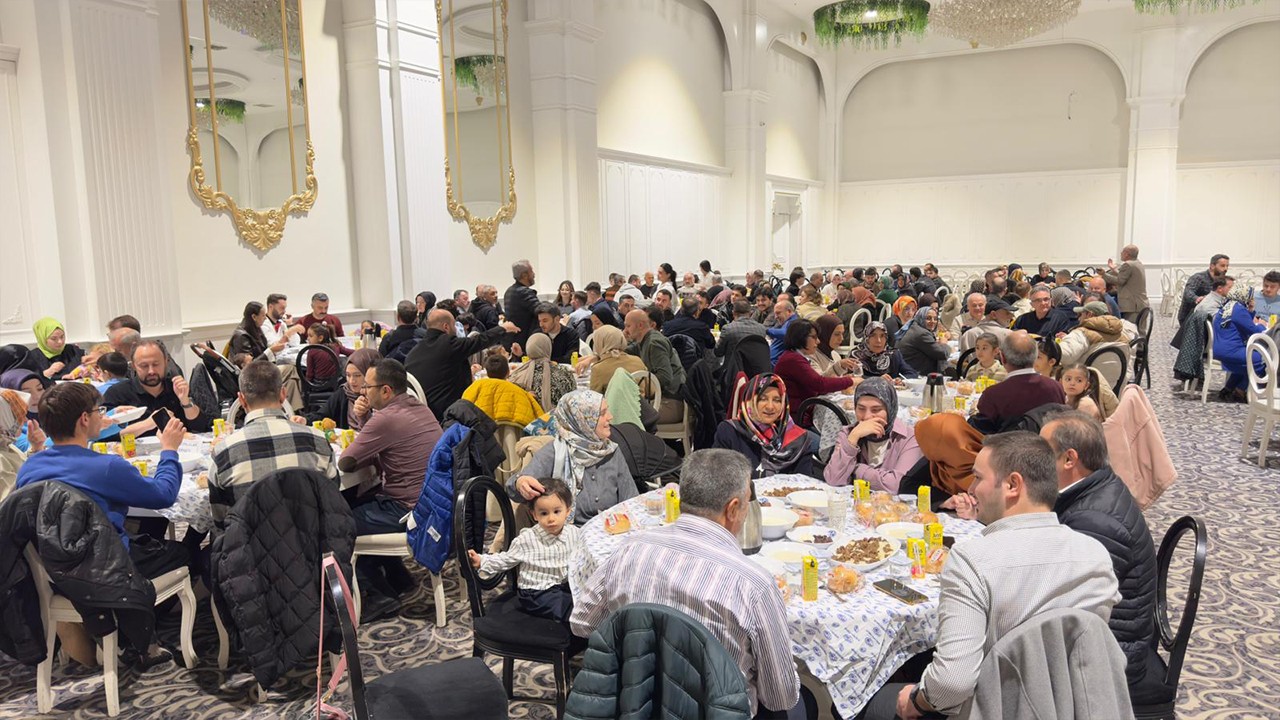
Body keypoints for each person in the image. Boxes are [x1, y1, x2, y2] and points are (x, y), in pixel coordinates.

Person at [860, 432, 1119, 720]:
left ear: (1012, 485)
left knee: (859, 702)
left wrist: (917, 701)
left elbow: (952, 683)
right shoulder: (1096, 556)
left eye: (978, 478)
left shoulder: (973, 560)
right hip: (1073, 707)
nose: (971, 489)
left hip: (997, 707)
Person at [571, 449, 801, 718]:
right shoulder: (753, 584)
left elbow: (581, 623)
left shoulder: (630, 550)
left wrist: (645, 646)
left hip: (636, 704)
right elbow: (780, 696)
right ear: (733, 508)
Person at [1038, 411, 1166, 707]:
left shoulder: (1095, 520)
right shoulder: (1096, 486)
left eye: (1042, 451)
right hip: (1110, 636)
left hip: (1110, 655)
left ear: (1069, 459)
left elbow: (1063, 602)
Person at [338, 359, 443, 617]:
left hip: (409, 511)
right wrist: (366, 418)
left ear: (386, 390)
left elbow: (346, 462)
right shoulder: (420, 408)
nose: (363, 392)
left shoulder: (385, 418)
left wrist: (365, 419)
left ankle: (376, 595)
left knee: (335, 522)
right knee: (362, 503)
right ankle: (398, 577)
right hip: (435, 506)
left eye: (367, 387)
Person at [207, 361, 338, 529]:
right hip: (312, 540)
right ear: (283, 394)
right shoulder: (318, 441)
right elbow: (332, 498)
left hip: (249, 543)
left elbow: (220, 520)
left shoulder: (224, 453)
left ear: (241, 399)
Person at [508, 390, 637, 525]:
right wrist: (520, 482)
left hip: (611, 529)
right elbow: (515, 490)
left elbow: (630, 499)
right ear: (582, 420)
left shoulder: (611, 450)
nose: (610, 417)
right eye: (602, 413)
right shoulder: (554, 452)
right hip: (568, 534)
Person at [468, 476, 580, 623]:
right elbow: (506, 559)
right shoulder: (527, 539)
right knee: (570, 609)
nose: (551, 519)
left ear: (568, 511)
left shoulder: (574, 533)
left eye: (557, 511)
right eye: (544, 513)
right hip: (536, 592)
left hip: (561, 584)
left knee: (585, 599)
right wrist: (482, 560)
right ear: (534, 514)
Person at [404, 309, 519, 421]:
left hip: (421, 413)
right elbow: (479, 341)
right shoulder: (449, 344)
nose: (456, 329)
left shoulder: (412, 353)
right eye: (454, 325)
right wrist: (503, 328)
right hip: (448, 413)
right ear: (446, 327)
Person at [823, 378, 922, 493]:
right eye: (861, 409)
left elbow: (896, 485)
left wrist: (855, 469)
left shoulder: (908, 438)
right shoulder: (849, 433)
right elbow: (833, 478)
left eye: (876, 410)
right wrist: (852, 439)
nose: (867, 417)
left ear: (890, 409)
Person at [712, 374, 814, 478]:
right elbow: (718, 478)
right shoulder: (729, 432)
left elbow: (804, 482)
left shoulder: (799, 439)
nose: (770, 406)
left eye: (777, 400)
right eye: (762, 399)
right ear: (750, 400)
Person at [104, 340, 212, 436]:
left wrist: (185, 401)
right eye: (144, 366)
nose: (151, 371)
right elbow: (103, 435)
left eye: (156, 364)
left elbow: (201, 428)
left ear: (166, 362)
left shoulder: (175, 387)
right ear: (133, 366)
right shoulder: (117, 393)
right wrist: (147, 424)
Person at [972, 331, 1066, 429]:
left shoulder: (993, 394)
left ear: (1003, 358)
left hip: (1006, 439)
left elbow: (980, 432)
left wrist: (973, 413)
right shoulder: (1056, 388)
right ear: (1034, 357)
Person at [772, 319, 857, 422]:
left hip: (804, 409)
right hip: (796, 417)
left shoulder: (796, 356)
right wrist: (851, 381)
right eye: (814, 337)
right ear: (801, 337)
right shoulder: (793, 359)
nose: (818, 341)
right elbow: (819, 384)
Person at [623, 309, 685, 423]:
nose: (625, 330)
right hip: (662, 398)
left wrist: (640, 386)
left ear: (640, 325)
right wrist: (621, 341)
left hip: (670, 402)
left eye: (628, 326)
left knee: (623, 414)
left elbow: (665, 377)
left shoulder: (654, 343)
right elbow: (625, 351)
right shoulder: (643, 340)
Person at [1212, 287, 1266, 403]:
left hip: (1220, 349)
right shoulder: (1238, 310)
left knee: (1248, 361)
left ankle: (1228, 389)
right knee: (1263, 360)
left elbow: (1243, 323)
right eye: (1251, 297)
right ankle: (1241, 390)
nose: (1252, 299)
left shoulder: (1227, 306)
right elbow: (1253, 331)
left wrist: (1251, 311)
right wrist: (1262, 325)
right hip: (1231, 351)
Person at [307, 348, 380, 429]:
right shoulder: (344, 392)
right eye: (348, 375)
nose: (351, 381)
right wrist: (305, 420)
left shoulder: (380, 397)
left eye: (357, 375)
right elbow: (322, 415)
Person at [509, 334, 577, 411]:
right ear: (549, 348)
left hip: (526, 416)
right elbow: (573, 399)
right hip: (558, 416)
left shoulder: (516, 375)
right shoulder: (564, 372)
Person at [1057, 300, 1133, 366]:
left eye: (1080, 314)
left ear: (1089, 315)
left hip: (1086, 377)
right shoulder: (1123, 335)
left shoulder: (1082, 334)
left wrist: (1064, 341)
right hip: (1117, 378)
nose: (1079, 318)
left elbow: (1064, 356)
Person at [585, 325, 646, 394]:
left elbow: (594, 396)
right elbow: (651, 389)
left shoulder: (598, 369)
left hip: (614, 401)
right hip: (640, 400)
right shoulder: (637, 360)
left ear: (600, 343)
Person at [0, 369, 48, 453]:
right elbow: (24, 447)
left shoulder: (53, 413)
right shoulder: (10, 428)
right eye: (26, 393)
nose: (37, 396)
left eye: (40, 389)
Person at [1178, 254, 1230, 326]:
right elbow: (1188, 292)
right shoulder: (1198, 278)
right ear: (1212, 266)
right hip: (1191, 317)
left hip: (1210, 313)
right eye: (1222, 266)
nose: (1226, 269)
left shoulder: (1222, 280)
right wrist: (1197, 298)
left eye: (1227, 266)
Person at [898, 308, 950, 377]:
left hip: (906, 371)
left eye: (935, 319)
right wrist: (944, 343)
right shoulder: (922, 333)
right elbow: (942, 354)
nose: (933, 321)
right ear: (921, 318)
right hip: (916, 375)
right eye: (928, 318)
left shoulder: (913, 327)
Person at [504, 260, 540, 351]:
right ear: (524, 275)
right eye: (531, 271)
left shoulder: (509, 291)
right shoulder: (524, 292)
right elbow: (540, 310)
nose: (534, 274)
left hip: (511, 338)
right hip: (523, 341)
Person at [767, 300, 797, 365]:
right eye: (775, 314)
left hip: (776, 364)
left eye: (778, 313)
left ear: (789, 311)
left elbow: (786, 334)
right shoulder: (787, 322)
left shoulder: (794, 322)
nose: (776, 317)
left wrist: (766, 330)